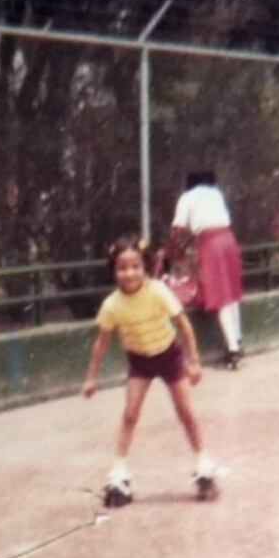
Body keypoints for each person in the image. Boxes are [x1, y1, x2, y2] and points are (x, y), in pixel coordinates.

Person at [81, 235, 218, 506]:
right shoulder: (112, 305)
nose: (129, 273)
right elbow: (102, 342)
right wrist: (91, 377)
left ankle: (203, 464)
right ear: (114, 271)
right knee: (130, 414)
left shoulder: (157, 291)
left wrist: (193, 361)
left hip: (169, 355)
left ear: (145, 267)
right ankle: (119, 473)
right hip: (139, 361)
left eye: (135, 266)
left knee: (186, 413)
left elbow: (183, 325)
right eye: (122, 267)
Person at [169, 170, 244, 369]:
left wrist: (173, 249)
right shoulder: (216, 193)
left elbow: (177, 229)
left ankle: (233, 350)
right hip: (229, 240)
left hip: (211, 243)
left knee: (221, 297)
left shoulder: (187, 197)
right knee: (232, 294)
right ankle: (237, 339)